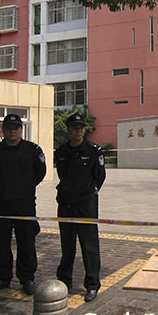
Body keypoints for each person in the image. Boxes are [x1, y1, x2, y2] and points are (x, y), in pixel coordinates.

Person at [0, 114, 46, 295]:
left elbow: (40, 173)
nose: (12, 131)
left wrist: (23, 188)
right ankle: (2, 278)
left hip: (24, 204)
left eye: (16, 128)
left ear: (21, 129)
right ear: (3, 130)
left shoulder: (32, 150)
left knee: (26, 242)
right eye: (9, 128)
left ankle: (27, 278)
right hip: (0, 205)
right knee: (1, 243)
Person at [55, 113, 105, 302]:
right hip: (66, 203)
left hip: (86, 205)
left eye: (81, 128)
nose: (78, 131)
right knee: (67, 245)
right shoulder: (61, 152)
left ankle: (92, 284)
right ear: (69, 130)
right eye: (75, 128)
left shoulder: (93, 151)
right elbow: (62, 176)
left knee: (89, 245)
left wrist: (88, 193)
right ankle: (64, 280)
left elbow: (99, 177)